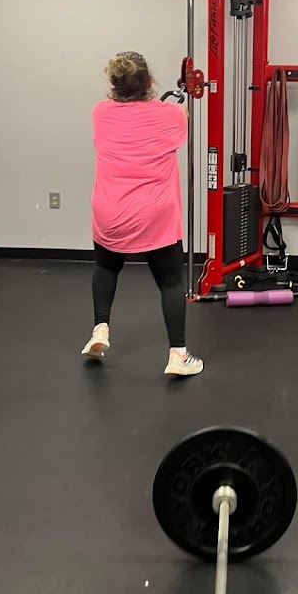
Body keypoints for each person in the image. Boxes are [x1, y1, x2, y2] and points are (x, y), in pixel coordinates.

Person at [81, 51, 203, 376]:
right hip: (154, 213)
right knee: (170, 282)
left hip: (111, 211)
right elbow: (180, 119)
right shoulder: (172, 115)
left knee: (106, 266)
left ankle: (100, 329)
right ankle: (178, 355)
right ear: (149, 81)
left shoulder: (100, 112)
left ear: (114, 83)